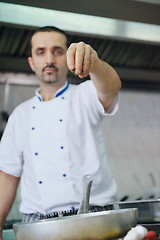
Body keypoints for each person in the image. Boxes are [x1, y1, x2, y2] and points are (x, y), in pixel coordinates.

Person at [0, 25, 123, 237]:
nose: (49, 59)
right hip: (38, 223)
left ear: (68, 57)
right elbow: (7, 177)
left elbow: (111, 88)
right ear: (32, 62)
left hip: (94, 216)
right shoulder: (19, 115)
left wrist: (95, 64)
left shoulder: (85, 95)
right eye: (41, 52)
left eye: (57, 51)